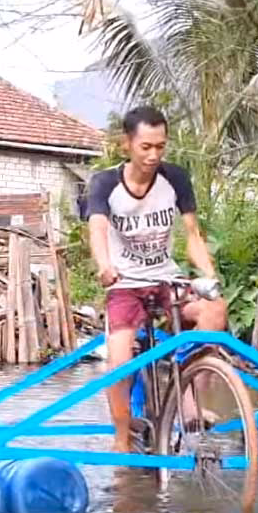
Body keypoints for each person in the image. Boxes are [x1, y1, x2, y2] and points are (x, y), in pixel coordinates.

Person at [85, 106, 227, 453]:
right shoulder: (105, 183)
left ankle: (186, 392)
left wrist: (208, 273)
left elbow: (192, 235)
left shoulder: (174, 178)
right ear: (126, 144)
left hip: (166, 279)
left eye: (160, 147)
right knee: (120, 362)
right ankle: (121, 438)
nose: (153, 155)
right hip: (124, 284)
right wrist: (104, 266)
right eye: (145, 147)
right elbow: (98, 229)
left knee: (214, 311)